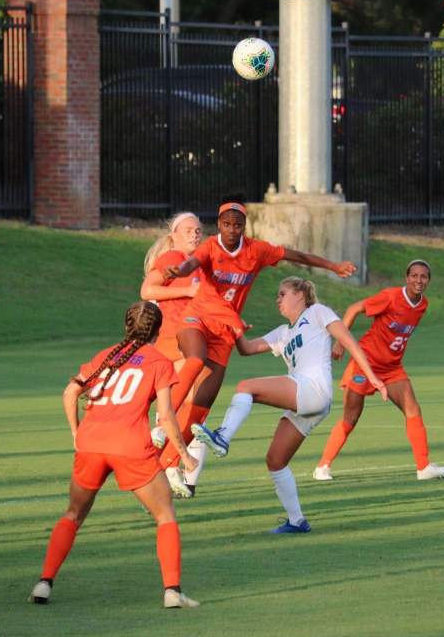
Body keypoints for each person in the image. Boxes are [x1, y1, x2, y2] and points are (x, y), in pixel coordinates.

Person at [157, 199, 357, 486]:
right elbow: (192, 262)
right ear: (219, 225)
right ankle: (165, 426)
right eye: (226, 224)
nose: (231, 230)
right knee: (196, 359)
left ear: (243, 227)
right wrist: (183, 271)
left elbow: (295, 255)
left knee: (201, 407)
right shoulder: (211, 246)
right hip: (197, 319)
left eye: (237, 225)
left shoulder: (256, 250)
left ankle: (168, 467)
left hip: (225, 332)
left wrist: (333, 266)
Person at [28, 301, 200, 609]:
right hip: (130, 446)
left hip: (91, 445)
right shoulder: (159, 362)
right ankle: (172, 591)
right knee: (165, 515)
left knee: (73, 514)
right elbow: (167, 415)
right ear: (159, 331)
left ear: (126, 327)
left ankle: (44, 582)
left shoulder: (105, 356)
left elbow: (70, 392)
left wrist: (76, 432)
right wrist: (184, 456)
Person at [191, 277, 386, 533]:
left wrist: (372, 377)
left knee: (245, 387)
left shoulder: (317, 312)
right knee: (275, 460)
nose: (278, 298)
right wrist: (234, 327)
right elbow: (247, 349)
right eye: (277, 295)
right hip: (308, 400)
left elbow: (348, 340)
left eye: (283, 293)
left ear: (301, 295)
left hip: (313, 389)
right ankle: (297, 521)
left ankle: (223, 437)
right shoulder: (284, 332)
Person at [314, 260, 444, 481]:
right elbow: (354, 309)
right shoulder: (390, 296)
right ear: (407, 278)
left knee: (413, 410)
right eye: (414, 276)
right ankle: (323, 466)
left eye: (424, 276)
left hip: (392, 368)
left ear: (428, 280)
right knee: (351, 418)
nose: (419, 280)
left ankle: (424, 467)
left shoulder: (423, 305)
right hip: (365, 363)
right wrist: (340, 343)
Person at [139, 212, 207, 498]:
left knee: (195, 411)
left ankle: (169, 471)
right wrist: (188, 291)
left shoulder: (198, 266)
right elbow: (147, 290)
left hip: (192, 338)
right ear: (175, 235)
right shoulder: (172, 259)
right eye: (189, 229)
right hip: (175, 338)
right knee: (190, 408)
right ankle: (167, 460)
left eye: (199, 230)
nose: (195, 234)